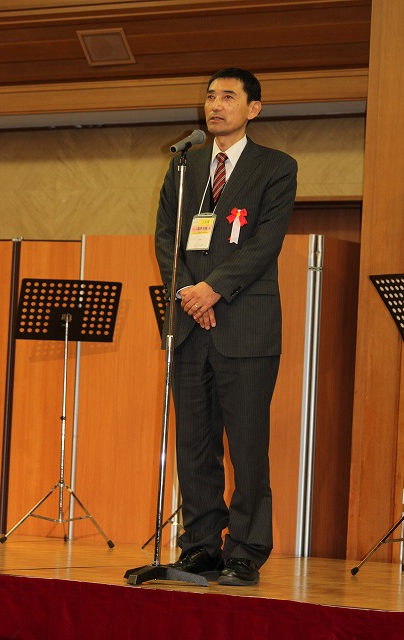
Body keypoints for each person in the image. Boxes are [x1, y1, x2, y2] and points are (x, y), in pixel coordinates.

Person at [155, 67, 297, 586]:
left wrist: (212, 289)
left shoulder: (275, 167)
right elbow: (166, 238)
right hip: (192, 326)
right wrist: (190, 296)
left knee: (247, 445)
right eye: (211, 96)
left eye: (228, 97)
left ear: (253, 108)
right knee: (194, 444)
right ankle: (200, 546)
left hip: (246, 326)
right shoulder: (185, 166)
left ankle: (245, 550)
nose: (215, 105)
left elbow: (265, 243)